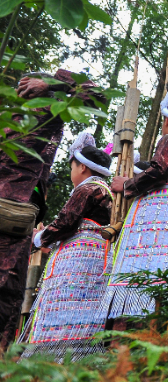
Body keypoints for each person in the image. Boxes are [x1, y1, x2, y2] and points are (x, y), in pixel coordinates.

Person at [0, 70, 103, 349]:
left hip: (16, 217)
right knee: (7, 293)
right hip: (12, 215)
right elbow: (94, 93)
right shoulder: (42, 114)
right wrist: (51, 84)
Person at [105, 92, 168, 323]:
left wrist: (127, 184)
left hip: (164, 221)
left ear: (167, 120)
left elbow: (159, 172)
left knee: (145, 277)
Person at [19, 132, 113, 360]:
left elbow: (66, 221)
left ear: (82, 167)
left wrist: (39, 237)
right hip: (96, 256)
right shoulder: (106, 191)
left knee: (64, 307)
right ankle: (78, 357)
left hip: (78, 261)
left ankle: (53, 359)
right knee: (84, 308)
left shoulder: (87, 189)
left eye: (72, 166)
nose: (71, 172)